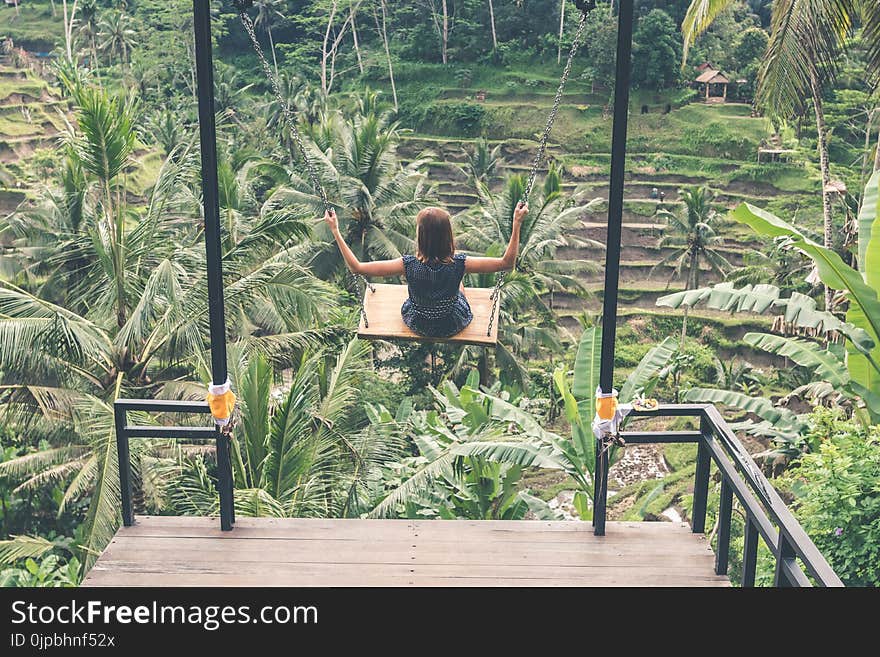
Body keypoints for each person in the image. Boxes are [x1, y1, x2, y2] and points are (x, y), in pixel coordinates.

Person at [325, 202, 529, 338]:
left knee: (441, 281)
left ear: (421, 236)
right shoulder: (460, 263)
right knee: (457, 281)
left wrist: (335, 230)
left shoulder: (407, 264)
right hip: (451, 321)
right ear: (447, 235)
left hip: (419, 321)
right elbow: (506, 263)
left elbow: (356, 267)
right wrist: (517, 224)